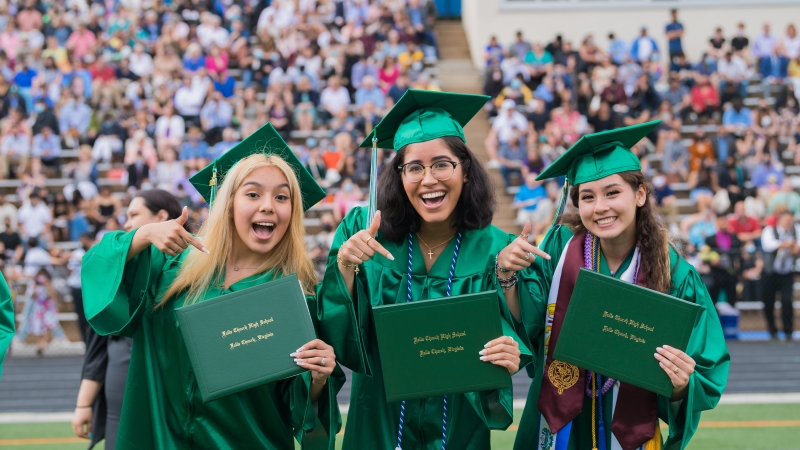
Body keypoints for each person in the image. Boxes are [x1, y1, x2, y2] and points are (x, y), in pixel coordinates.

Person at [80, 124, 342, 449]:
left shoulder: (292, 300)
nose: (268, 206)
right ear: (227, 203)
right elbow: (97, 274)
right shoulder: (171, 271)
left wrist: (317, 378)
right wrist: (142, 235)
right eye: (253, 193)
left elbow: (299, 413)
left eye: (282, 197)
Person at [318, 91, 537, 449]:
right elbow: (336, 332)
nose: (428, 179)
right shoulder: (362, 231)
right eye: (414, 168)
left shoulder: (497, 248)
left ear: (465, 171)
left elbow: (521, 335)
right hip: (378, 420)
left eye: (441, 164)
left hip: (459, 426)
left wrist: (509, 351)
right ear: (399, 176)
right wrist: (345, 264)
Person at [513, 121, 729, 450]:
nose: (600, 207)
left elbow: (703, 367)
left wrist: (682, 384)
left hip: (629, 429)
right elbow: (526, 321)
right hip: (558, 427)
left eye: (613, 192)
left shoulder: (673, 273)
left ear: (640, 194)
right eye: (588, 197)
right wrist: (506, 274)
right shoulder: (558, 248)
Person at [73, 190, 182, 450]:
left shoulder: (188, 265)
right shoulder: (121, 271)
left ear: (162, 216)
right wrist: (84, 403)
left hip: (171, 395)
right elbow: (100, 345)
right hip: (118, 404)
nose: (127, 223)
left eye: (134, 215)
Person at [760, 210, 799, 340]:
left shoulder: (796, 230)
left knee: (787, 301)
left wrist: (796, 247)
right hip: (770, 273)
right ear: (780, 220)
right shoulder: (769, 231)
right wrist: (786, 244)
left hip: (787, 272)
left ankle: (788, 330)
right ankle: (772, 330)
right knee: (769, 301)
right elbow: (768, 246)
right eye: (786, 220)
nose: (789, 223)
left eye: (790, 220)